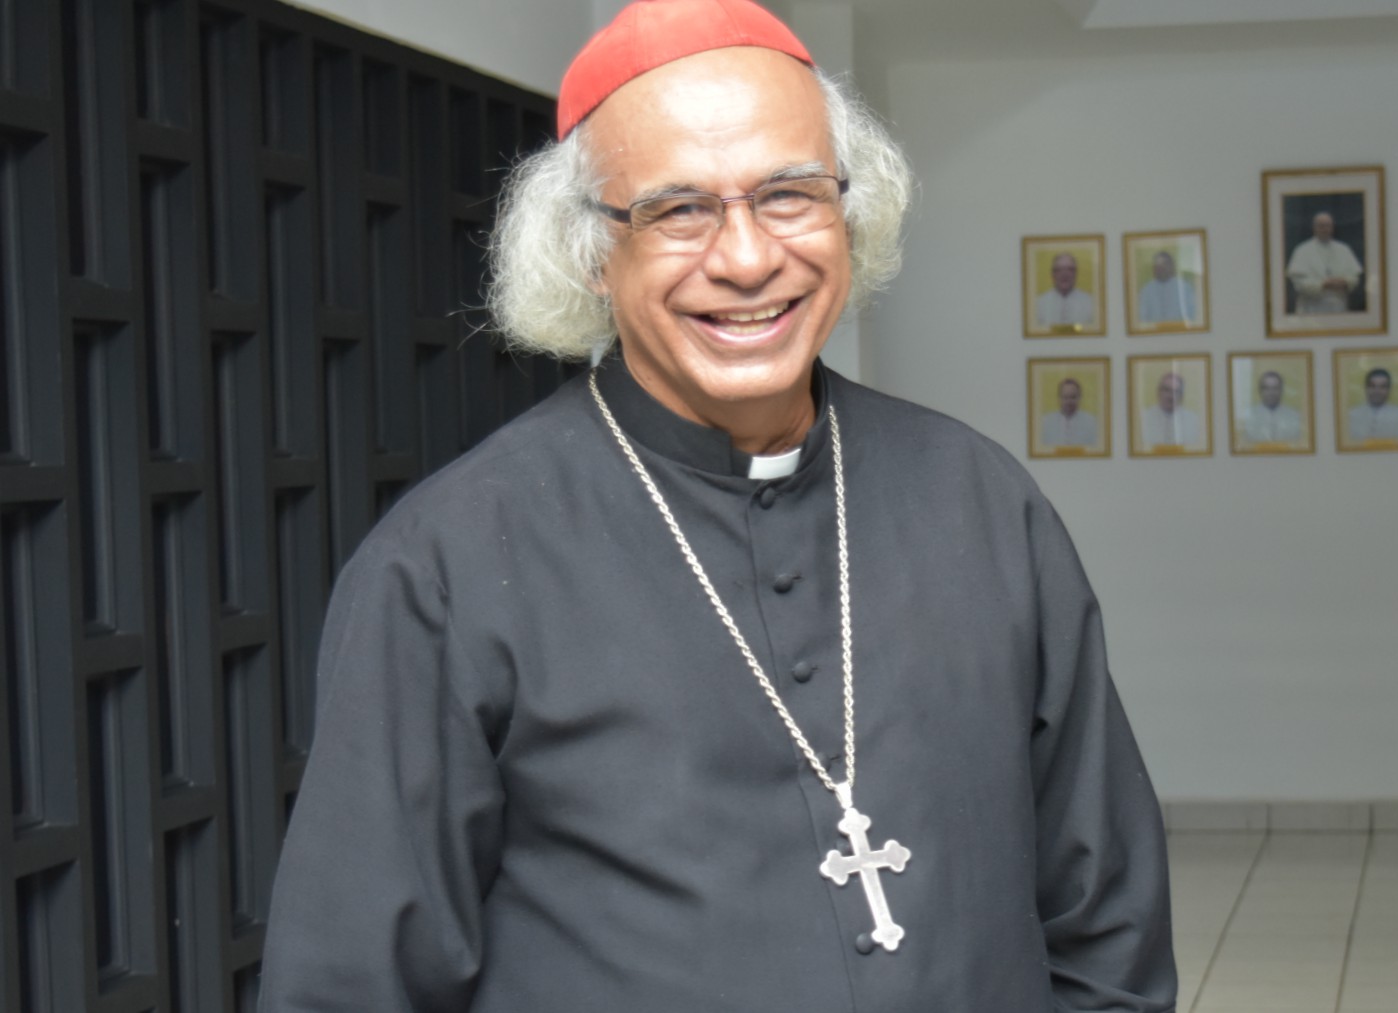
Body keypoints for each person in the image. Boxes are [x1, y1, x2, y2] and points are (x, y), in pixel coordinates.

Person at [257, 2, 1175, 1011]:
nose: (745, 260)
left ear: (847, 210)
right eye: (678, 210)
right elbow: (349, 984)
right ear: (591, 253)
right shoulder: (446, 564)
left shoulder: (981, 498)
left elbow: (1108, 924)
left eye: (789, 195)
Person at [1285, 210, 1362, 314]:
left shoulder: (1344, 249)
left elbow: (1354, 277)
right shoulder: (1302, 250)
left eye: (1328, 226)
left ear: (1332, 227)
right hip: (1311, 308)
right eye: (1321, 226)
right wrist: (1323, 284)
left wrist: (1345, 282)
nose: (1325, 229)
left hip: (1338, 307)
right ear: (1314, 227)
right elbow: (1298, 283)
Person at [1138, 371, 1202, 449]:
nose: (1171, 396)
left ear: (1181, 395)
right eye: (1166, 390)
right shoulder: (1143, 419)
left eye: (1176, 391)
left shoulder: (1194, 420)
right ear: (1158, 392)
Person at [1345, 367, 1398, 444]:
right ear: (1366, 388)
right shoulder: (1351, 415)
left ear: (1389, 390)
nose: (1377, 391)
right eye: (1372, 386)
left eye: (1383, 387)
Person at [1033, 252, 1097, 328]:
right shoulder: (1038, 304)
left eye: (1070, 269)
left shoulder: (1091, 303)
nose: (1064, 274)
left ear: (1076, 273)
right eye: (1059, 270)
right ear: (1053, 274)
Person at [1241, 369, 1305, 445]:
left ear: (1281, 390)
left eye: (1275, 388)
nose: (1271, 393)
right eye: (1267, 388)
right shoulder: (1249, 416)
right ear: (1260, 390)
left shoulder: (1294, 416)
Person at [1136, 250, 1196, 324]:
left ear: (1172, 266)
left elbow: (1192, 315)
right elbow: (1141, 317)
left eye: (1164, 265)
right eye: (1158, 265)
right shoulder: (1146, 290)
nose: (1161, 268)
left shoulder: (1184, 288)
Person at [1041, 377, 1101, 449]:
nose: (1069, 401)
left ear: (1079, 398)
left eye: (1073, 397)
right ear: (1059, 398)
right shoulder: (1045, 422)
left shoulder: (1092, 422)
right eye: (1065, 397)